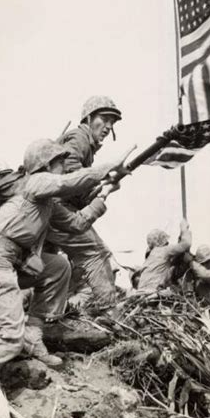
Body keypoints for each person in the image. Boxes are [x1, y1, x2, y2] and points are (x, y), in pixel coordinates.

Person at [0, 139, 130, 418]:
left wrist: (103, 194)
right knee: (8, 337)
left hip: (12, 260)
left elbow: (79, 224)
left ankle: (34, 331)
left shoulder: (46, 202)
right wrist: (108, 168)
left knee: (57, 266)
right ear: (44, 166)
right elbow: (71, 182)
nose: (62, 167)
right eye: (58, 162)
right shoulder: (35, 183)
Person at [46, 95, 124, 311]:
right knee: (95, 253)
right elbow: (69, 168)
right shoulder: (80, 138)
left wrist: (101, 186)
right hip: (57, 211)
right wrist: (100, 178)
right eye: (104, 119)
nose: (108, 126)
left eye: (112, 122)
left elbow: (76, 186)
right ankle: (110, 314)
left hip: (56, 211)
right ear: (89, 118)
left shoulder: (86, 144)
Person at [137, 219, 192, 293]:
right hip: (153, 291)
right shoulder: (164, 250)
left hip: (141, 292)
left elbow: (172, 262)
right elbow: (186, 244)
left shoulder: (151, 256)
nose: (167, 243)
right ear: (161, 240)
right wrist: (184, 229)